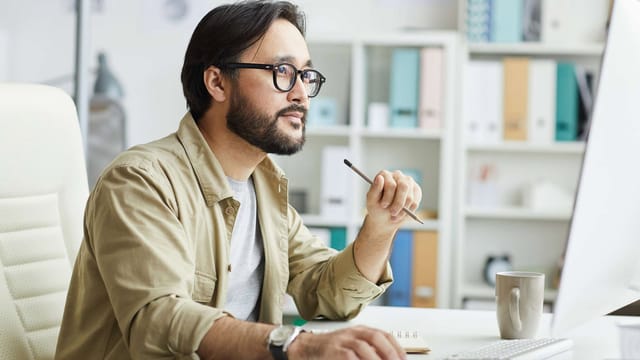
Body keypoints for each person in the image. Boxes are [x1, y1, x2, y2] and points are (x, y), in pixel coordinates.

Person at [55, 1, 421, 359]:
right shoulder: (139, 182)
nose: (300, 94)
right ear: (217, 82)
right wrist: (298, 345)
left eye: (306, 76)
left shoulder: (263, 185)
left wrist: (380, 227)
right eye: (282, 71)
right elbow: (158, 320)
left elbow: (326, 294)